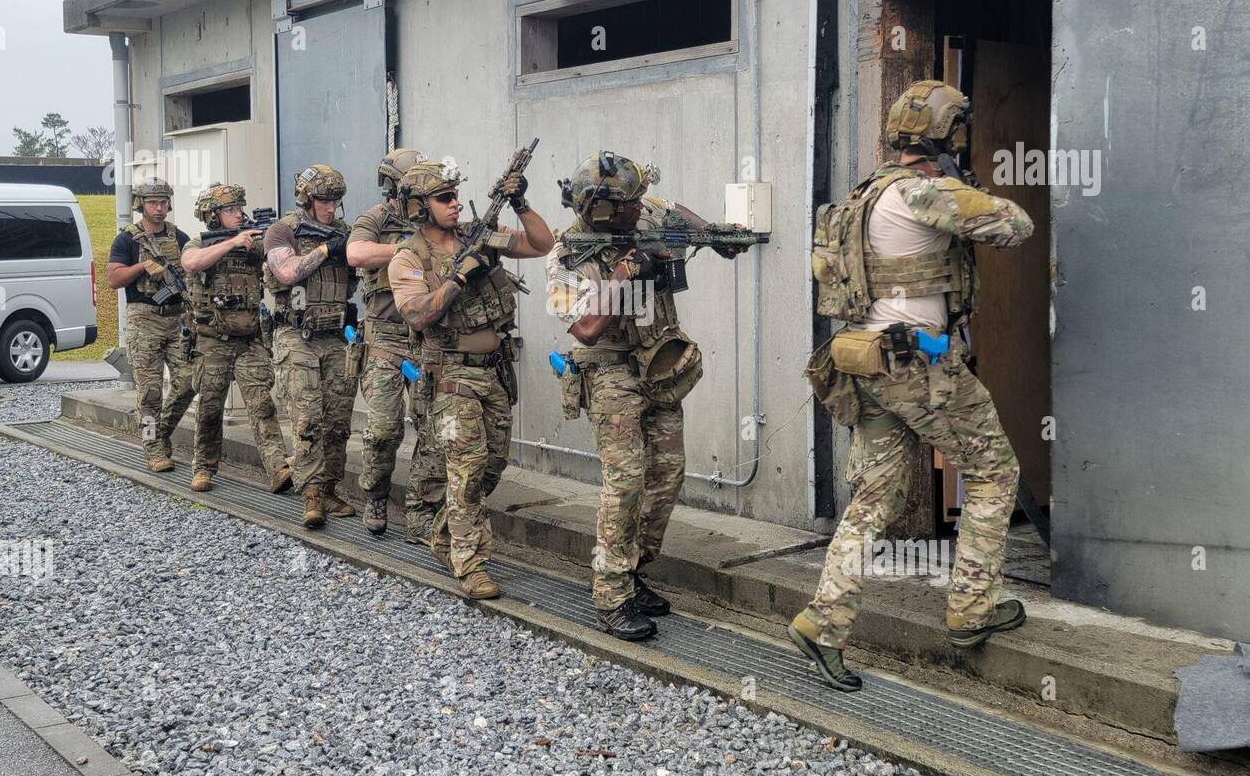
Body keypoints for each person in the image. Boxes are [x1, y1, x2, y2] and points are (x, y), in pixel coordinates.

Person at [793, 79, 1034, 691]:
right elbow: (1017, 225)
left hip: (867, 363)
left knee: (873, 500)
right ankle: (971, 609)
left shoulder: (863, 196)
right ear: (949, 137)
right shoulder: (927, 192)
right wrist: (969, 188)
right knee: (994, 472)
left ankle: (824, 622)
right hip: (920, 369)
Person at [546, 153, 744, 641]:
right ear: (602, 212)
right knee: (626, 481)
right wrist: (626, 272)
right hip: (610, 372)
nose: (641, 211)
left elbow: (679, 215)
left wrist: (715, 235)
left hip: (659, 365)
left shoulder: (645, 211)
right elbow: (587, 329)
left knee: (667, 475)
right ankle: (611, 595)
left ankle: (634, 571)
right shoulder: (565, 254)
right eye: (629, 206)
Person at [387, 155, 553, 599]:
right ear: (420, 207)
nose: (455, 204)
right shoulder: (409, 257)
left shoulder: (479, 237)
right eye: (444, 198)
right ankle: (470, 563)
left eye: (457, 195)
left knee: (493, 464)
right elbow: (418, 314)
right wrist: (461, 275)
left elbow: (542, 245)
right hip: (448, 376)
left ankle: (445, 532)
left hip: (492, 374)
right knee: (466, 467)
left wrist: (520, 203)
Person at [347, 149, 446, 540]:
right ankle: (375, 495)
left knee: (433, 429)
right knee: (385, 427)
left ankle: (422, 510)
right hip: (385, 339)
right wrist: (411, 250)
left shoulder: (434, 217)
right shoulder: (377, 218)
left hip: (426, 340)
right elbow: (356, 252)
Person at [179, 183, 292, 494]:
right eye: (230, 210)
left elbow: (278, 260)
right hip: (212, 340)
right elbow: (190, 263)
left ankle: (278, 467)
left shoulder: (251, 242)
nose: (238, 214)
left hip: (250, 340)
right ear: (213, 216)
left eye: (239, 208)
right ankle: (203, 468)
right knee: (211, 407)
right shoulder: (198, 243)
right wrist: (232, 244)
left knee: (261, 403)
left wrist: (263, 241)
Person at [263, 165, 360, 528]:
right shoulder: (282, 230)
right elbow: (287, 273)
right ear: (306, 197)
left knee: (337, 420)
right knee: (307, 419)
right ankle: (312, 494)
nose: (331, 207)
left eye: (336, 201)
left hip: (337, 335)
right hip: (297, 334)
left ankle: (331, 489)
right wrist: (325, 248)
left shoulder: (346, 232)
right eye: (323, 200)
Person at [107, 177, 195, 472]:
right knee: (149, 392)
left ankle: (160, 433)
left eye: (163, 202)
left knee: (189, 380)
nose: (159, 208)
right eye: (153, 202)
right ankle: (153, 448)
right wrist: (142, 266)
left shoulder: (179, 237)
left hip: (176, 318)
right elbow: (113, 279)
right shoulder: (127, 239)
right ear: (140, 205)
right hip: (143, 318)